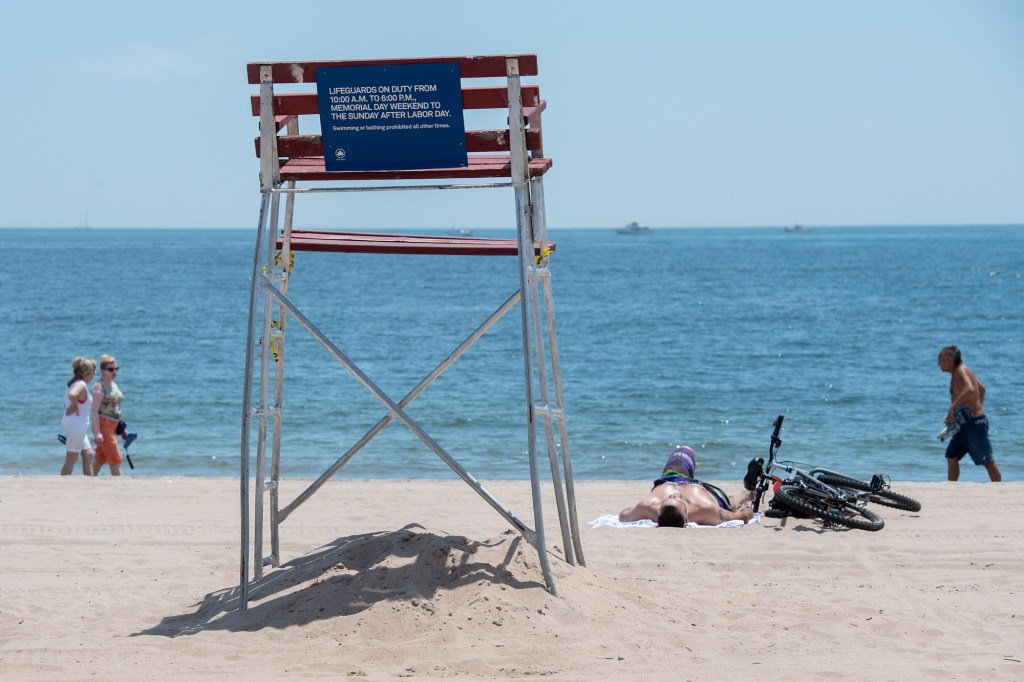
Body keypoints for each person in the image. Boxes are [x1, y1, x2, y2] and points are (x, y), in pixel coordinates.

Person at [618, 445, 760, 526]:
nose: (673, 495)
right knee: (731, 504)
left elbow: (623, 515)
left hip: (672, 478)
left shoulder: (648, 506)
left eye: (668, 498)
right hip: (706, 492)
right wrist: (748, 511)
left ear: (658, 513)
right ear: (687, 518)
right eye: (677, 500)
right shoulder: (706, 509)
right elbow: (742, 516)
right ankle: (744, 497)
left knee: (685, 450)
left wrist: (644, 513)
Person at [937, 345, 1001, 482]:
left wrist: (953, 408)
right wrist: (974, 408)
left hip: (974, 425)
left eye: (940, 359)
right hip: (964, 424)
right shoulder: (962, 371)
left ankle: (1001, 489)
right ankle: (951, 487)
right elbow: (982, 390)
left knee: (987, 461)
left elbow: (971, 389)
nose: (938, 363)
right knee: (951, 456)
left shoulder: (961, 371)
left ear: (950, 358)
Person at [60, 357, 97, 476]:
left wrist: (74, 405)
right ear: (88, 373)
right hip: (75, 425)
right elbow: (72, 395)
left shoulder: (76, 383)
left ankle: (89, 483)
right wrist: (75, 405)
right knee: (72, 457)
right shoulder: (80, 384)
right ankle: (61, 484)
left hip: (76, 425)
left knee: (88, 454)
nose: (95, 374)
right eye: (94, 372)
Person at [91, 355, 125, 476]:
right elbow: (94, 411)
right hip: (104, 425)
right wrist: (97, 433)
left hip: (113, 425)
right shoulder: (99, 387)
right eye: (111, 369)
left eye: (116, 368)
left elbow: (116, 407)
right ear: (103, 371)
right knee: (115, 458)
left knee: (100, 458)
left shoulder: (113, 385)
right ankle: (121, 485)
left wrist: (122, 427)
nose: (114, 371)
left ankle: (87, 480)